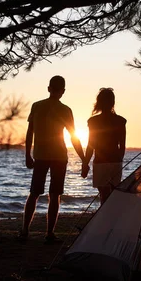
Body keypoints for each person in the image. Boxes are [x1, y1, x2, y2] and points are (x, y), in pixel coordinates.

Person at [21, 75, 86, 244]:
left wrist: (27, 154)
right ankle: (48, 233)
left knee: (35, 193)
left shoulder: (38, 106)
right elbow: (74, 137)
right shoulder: (64, 109)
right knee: (53, 194)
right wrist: (84, 159)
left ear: (49, 88)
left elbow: (30, 133)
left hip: (44, 156)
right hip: (56, 156)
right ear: (62, 91)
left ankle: (26, 230)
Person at [82, 88, 127, 205]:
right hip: (115, 162)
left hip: (101, 162)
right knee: (113, 194)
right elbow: (122, 146)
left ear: (99, 103)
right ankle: (111, 218)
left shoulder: (93, 122)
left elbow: (90, 145)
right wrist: (120, 162)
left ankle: (105, 218)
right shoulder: (120, 121)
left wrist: (85, 163)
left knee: (103, 195)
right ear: (113, 103)